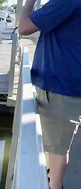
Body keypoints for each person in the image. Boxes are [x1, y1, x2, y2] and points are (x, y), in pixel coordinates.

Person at [19, 0, 81, 189]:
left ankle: (54, 185)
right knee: (61, 144)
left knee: (57, 149)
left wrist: (28, 3)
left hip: (60, 87)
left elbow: (24, 27)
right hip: (70, 84)